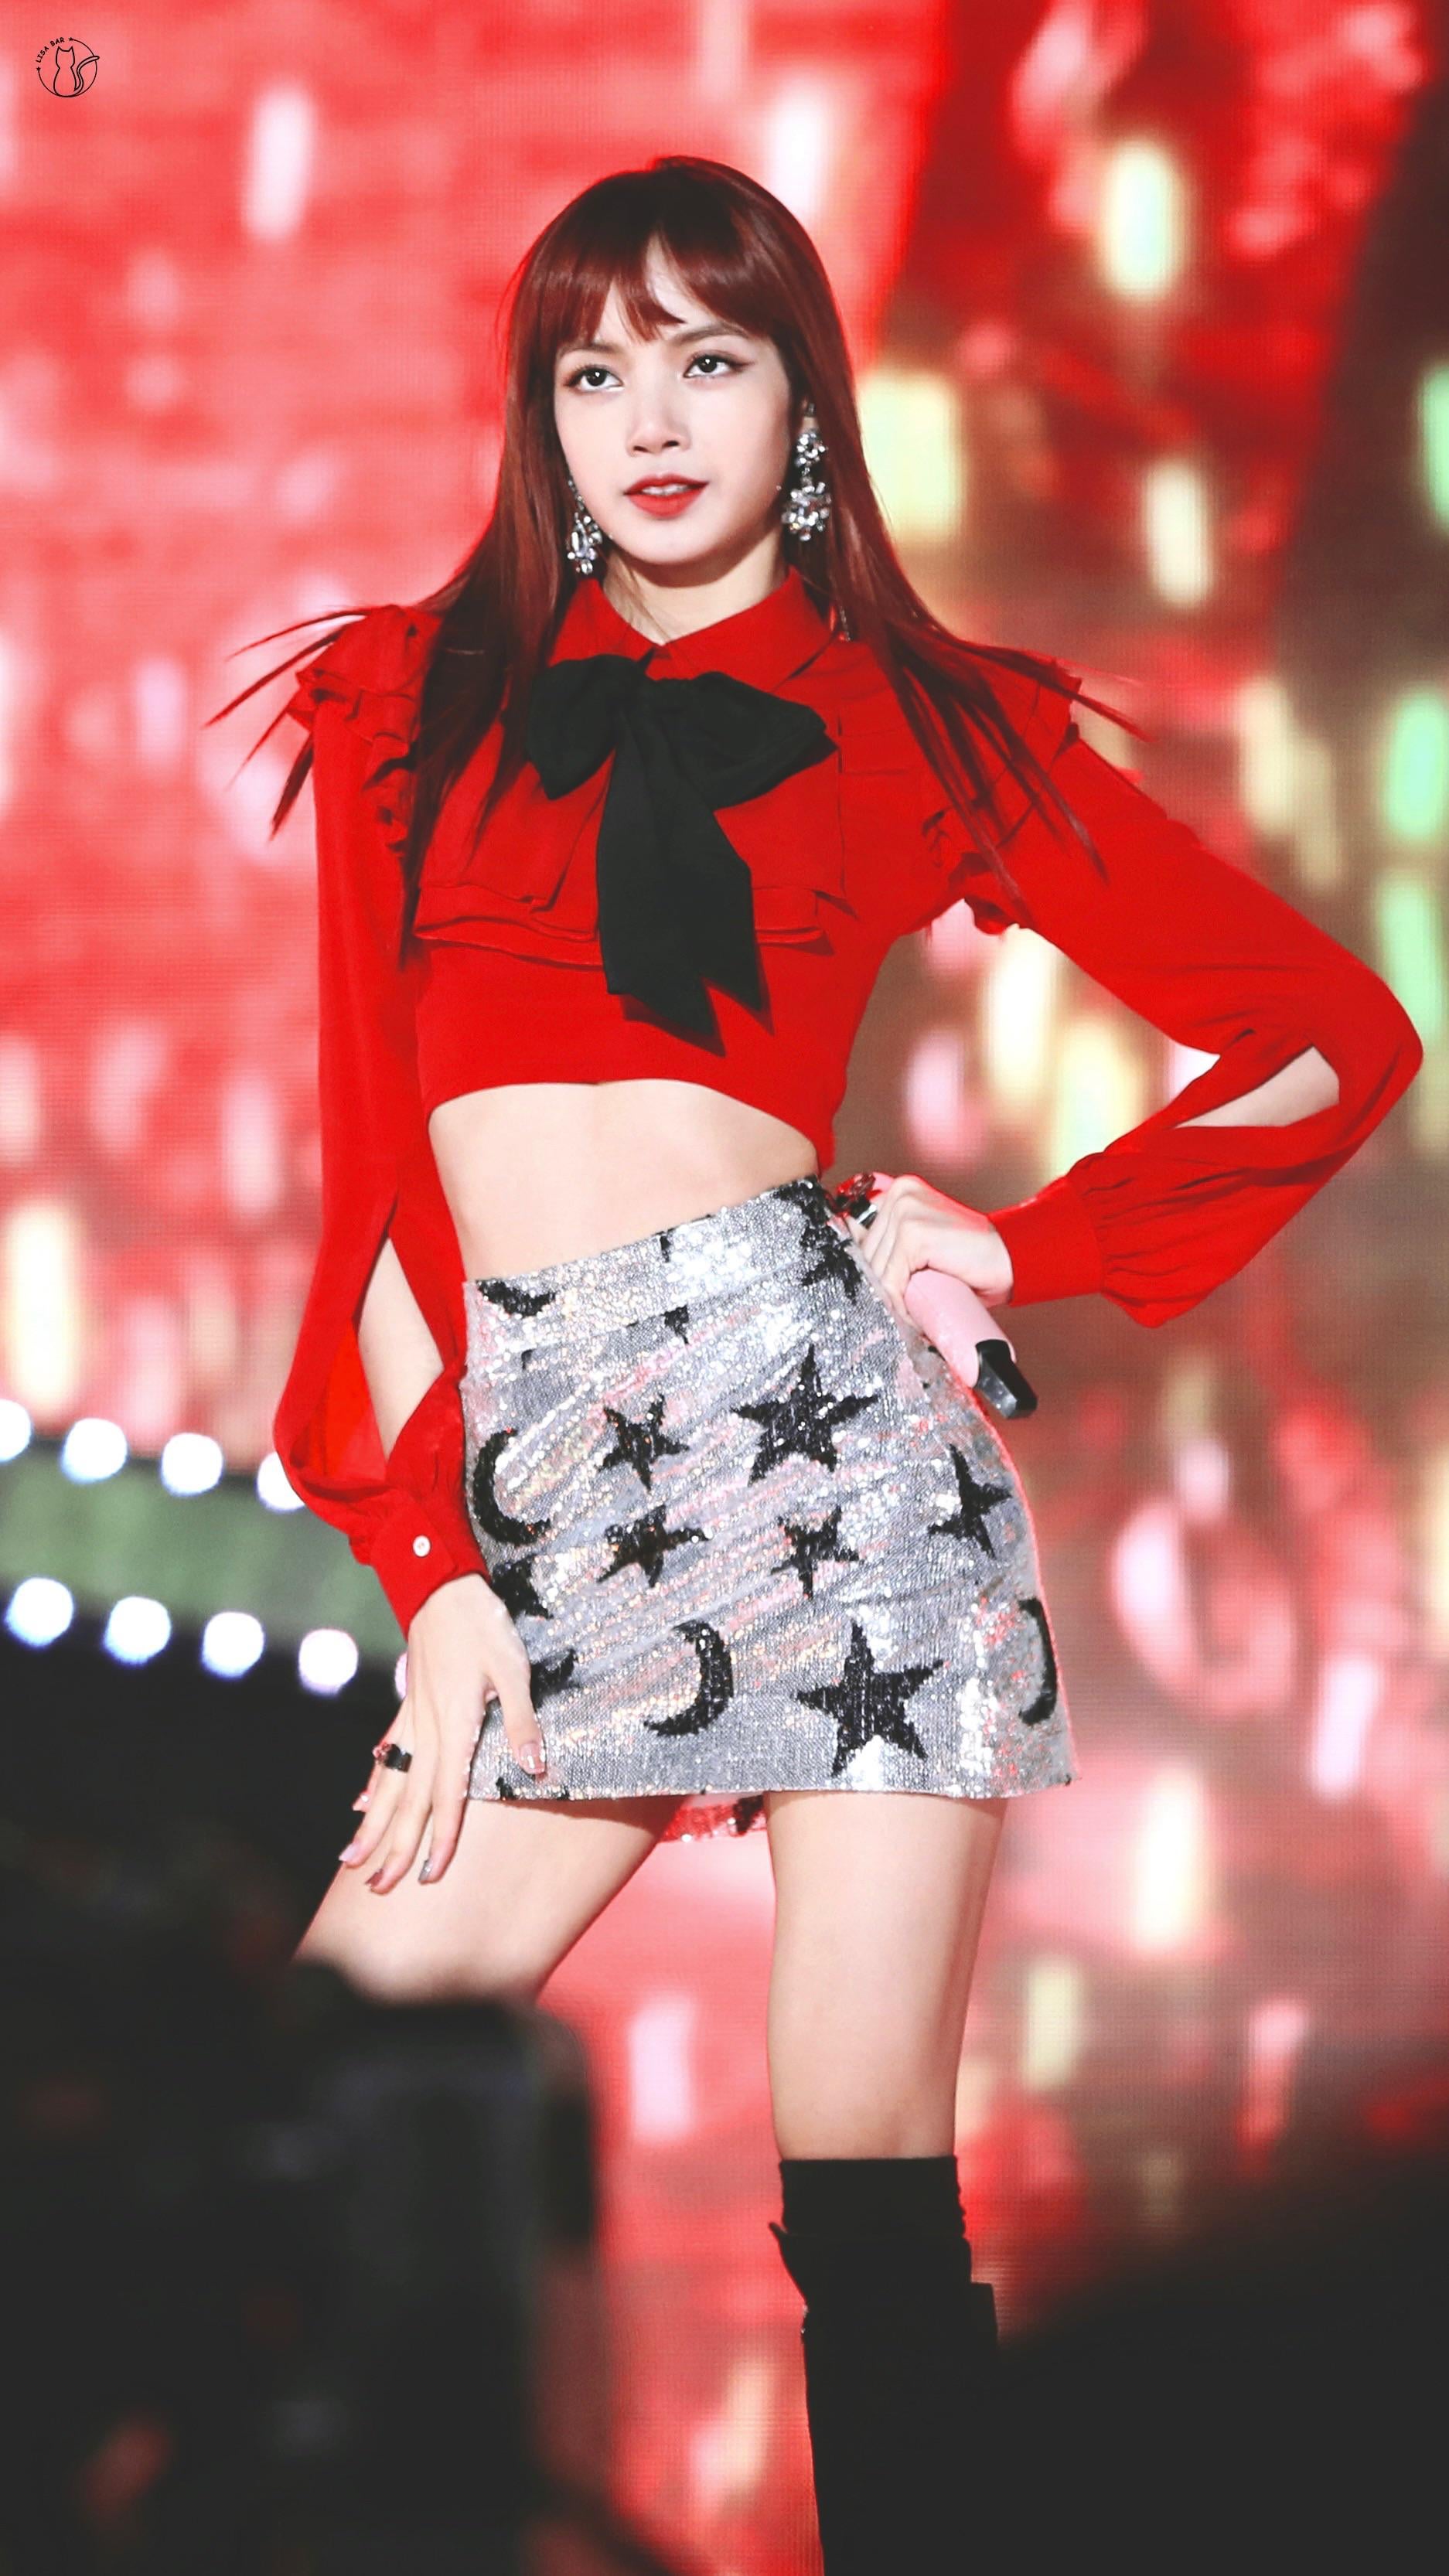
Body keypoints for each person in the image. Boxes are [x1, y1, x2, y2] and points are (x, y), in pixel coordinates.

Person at [216, 155, 1422, 2571]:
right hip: (544, 1498)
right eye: (592, 371)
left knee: (861, 2196)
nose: (648, 420)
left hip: (838, 1486)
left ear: (799, 401)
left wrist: (1025, 1238)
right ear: (539, 418)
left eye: (707, 358)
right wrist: (428, 1569)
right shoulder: (410, 707)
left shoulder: (911, 718)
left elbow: (1323, 1032)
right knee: (313, 2105)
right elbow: (378, 1195)